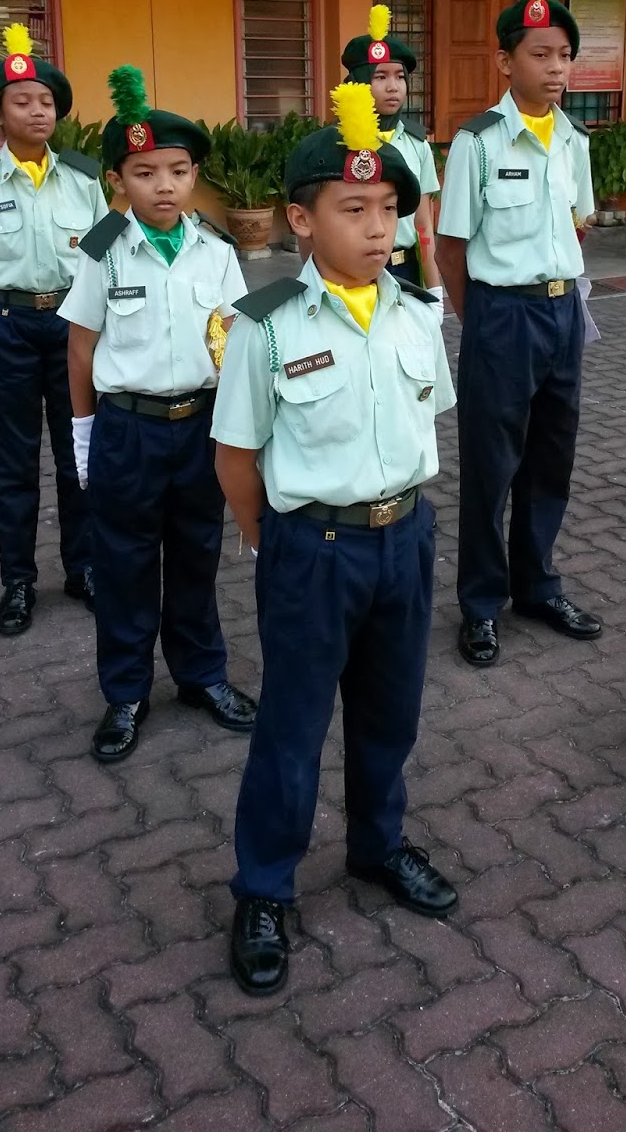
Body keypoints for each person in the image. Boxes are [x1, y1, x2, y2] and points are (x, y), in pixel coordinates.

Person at [212, 81, 458, 997]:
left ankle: (377, 846)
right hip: (312, 550)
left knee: (391, 711)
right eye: (353, 209)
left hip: (407, 537)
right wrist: (270, 542)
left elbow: (431, 418)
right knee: (293, 725)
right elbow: (237, 455)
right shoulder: (266, 326)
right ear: (300, 220)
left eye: (390, 209)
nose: (377, 228)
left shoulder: (416, 311)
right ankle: (265, 887)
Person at [59, 66, 256, 763]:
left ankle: (201, 676)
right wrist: (85, 436)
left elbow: (238, 340)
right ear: (120, 181)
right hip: (129, 431)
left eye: (177, 170)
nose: (164, 185)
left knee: (198, 556)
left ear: (194, 173)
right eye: (145, 172)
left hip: (200, 426)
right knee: (125, 564)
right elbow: (81, 351)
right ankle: (126, 692)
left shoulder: (217, 247)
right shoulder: (104, 252)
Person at [436, 0, 600, 668]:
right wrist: (484, 324)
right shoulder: (476, 140)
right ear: (507, 62)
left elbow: (581, 223)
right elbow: (450, 249)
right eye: (541, 54)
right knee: (489, 465)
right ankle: (480, 602)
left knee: (550, 460)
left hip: (563, 315)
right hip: (500, 316)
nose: (556, 68)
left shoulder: (575, 140)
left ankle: (537, 585)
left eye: (565, 55)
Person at [0, 24, 107, 637]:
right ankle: (18, 581)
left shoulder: (84, 177)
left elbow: (100, 255)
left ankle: (82, 567)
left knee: (77, 450)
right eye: (23, 101)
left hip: (72, 323)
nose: (38, 112)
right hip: (6, 323)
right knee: (13, 459)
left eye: (47, 102)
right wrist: (2, 310)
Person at [341, 4, 443, 313]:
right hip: (350, 272)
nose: (392, 87)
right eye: (380, 77)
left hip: (405, 271)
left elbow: (424, 225)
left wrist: (435, 289)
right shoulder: (335, 144)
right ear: (358, 82)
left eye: (399, 77)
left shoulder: (416, 145)